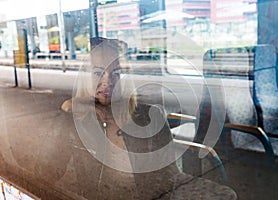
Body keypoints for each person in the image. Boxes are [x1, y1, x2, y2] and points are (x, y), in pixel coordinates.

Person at [61, 37, 237, 199]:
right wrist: (72, 107)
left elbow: (168, 176)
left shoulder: (149, 116)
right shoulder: (74, 119)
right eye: (97, 73)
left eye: (116, 73)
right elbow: (53, 172)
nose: (108, 81)